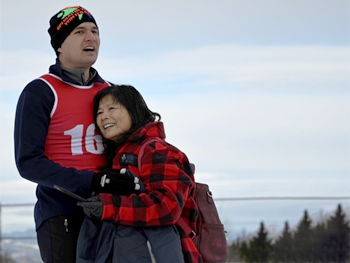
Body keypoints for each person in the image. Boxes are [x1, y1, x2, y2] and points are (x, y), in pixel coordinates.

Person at [14, 6, 137, 263]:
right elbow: (29, 163)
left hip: (113, 209)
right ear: (59, 45)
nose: (90, 37)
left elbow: (137, 142)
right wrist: (93, 181)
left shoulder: (112, 93)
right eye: (79, 32)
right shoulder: (41, 91)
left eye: (95, 31)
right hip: (61, 212)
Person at [77, 85, 203, 263]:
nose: (104, 116)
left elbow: (166, 207)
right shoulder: (117, 158)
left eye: (112, 108)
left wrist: (107, 206)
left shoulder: (157, 150)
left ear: (134, 111)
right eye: (99, 112)